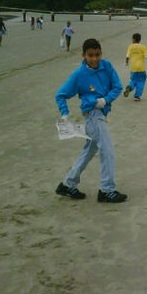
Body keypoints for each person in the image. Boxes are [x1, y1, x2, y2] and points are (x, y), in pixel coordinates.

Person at [54, 38, 127, 203]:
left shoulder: (107, 66)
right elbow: (61, 95)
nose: (94, 59)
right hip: (93, 115)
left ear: (101, 54)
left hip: (102, 111)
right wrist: (65, 114)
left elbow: (117, 87)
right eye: (90, 55)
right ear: (84, 55)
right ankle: (107, 190)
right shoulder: (79, 74)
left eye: (97, 55)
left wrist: (106, 100)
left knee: (88, 151)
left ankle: (68, 184)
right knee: (107, 150)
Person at [124, 32, 147, 101]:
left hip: (133, 68)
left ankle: (130, 87)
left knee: (133, 79)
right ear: (139, 40)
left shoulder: (130, 46)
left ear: (133, 39)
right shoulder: (143, 47)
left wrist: (126, 62)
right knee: (141, 81)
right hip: (141, 68)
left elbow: (127, 56)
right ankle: (137, 96)